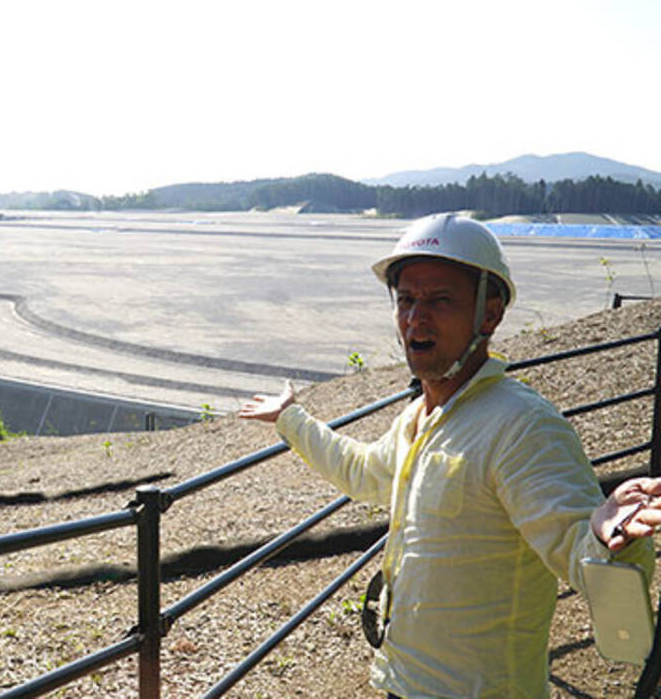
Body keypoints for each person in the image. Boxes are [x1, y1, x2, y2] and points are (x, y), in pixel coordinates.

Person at [240, 213, 661, 698]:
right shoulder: (423, 415)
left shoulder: (521, 426)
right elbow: (364, 472)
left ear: (489, 314)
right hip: (406, 681)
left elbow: (578, 554)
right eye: (406, 300)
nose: (416, 318)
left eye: (440, 300)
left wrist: (616, 539)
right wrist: (292, 419)